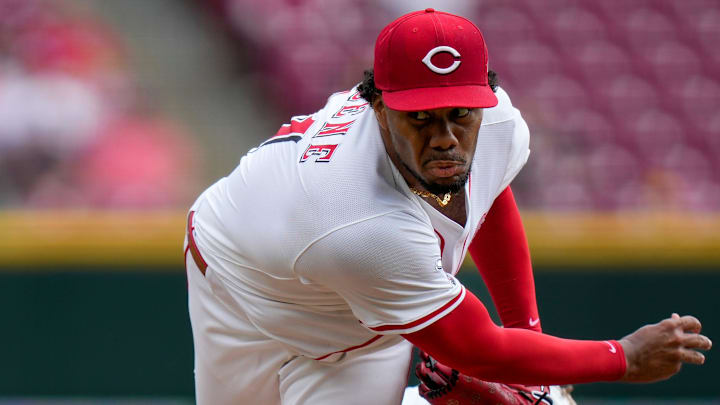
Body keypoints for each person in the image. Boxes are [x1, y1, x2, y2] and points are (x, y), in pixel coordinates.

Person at [184, 9, 711, 405]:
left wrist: (529, 341)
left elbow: (487, 194)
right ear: (377, 105)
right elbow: (472, 346)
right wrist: (622, 357)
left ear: (486, 97)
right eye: (421, 117)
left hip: (363, 318)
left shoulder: (499, 123)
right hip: (242, 289)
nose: (445, 138)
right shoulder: (359, 219)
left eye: (460, 113)